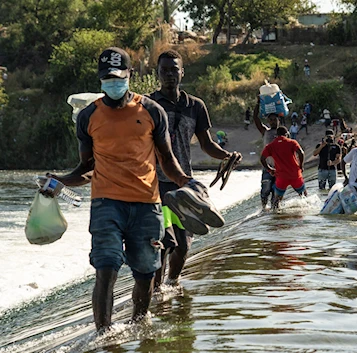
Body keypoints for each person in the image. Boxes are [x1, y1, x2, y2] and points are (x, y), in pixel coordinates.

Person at [43, 47, 198, 332]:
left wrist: (186, 182)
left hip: (146, 205)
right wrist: (60, 180)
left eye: (118, 77)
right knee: (106, 269)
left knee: (145, 273)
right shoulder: (89, 116)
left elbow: (167, 160)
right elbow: (86, 168)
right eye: (107, 79)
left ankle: (140, 325)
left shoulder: (152, 111)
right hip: (106, 205)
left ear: (130, 75)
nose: (112, 83)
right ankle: (104, 335)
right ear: (100, 80)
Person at [148, 49, 241, 290]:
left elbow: (206, 144)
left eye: (174, 70)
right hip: (153, 185)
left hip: (183, 184)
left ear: (182, 72)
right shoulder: (149, 104)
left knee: (184, 244)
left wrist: (227, 155)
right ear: (157, 74)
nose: (169, 75)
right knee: (162, 243)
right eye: (164, 70)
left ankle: (172, 284)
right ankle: (156, 292)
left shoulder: (195, 106)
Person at [260, 126, 307, 209]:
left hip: (281, 177)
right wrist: (301, 166)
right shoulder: (292, 142)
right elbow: (301, 153)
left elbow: (262, 159)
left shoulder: (270, 146)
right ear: (287, 134)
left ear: (276, 135)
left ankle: (275, 217)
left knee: (277, 201)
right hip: (295, 174)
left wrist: (269, 169)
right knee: (304, 196)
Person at [253, 97, 280, 209]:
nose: (273, 122)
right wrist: (258, 103)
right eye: (271, 120)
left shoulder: (283, 133)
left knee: (276, 192)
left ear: (279, 120)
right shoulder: (265, 132)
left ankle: (275, 212)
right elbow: (255, 119)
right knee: (265, 190)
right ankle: (264, 209)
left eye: (275, 120)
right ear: (268, 121)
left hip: (279, 168)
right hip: (267, 167)